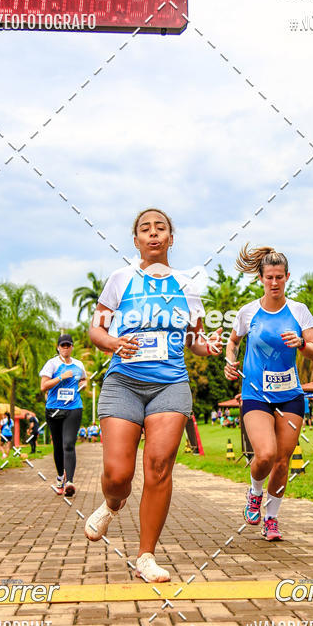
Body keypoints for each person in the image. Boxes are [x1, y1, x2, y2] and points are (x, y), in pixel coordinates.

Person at [84, 208, 221, 582]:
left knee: (159, 467)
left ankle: (146, 556)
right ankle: (113, 505)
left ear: (171, 239)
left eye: (161, 228)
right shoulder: (120, 279)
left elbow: (195, 340)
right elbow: (95, 331)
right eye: (146, 229)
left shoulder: (187, 285)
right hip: (124, 383)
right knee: (117, 474)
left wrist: (210, 346)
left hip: (170, 385)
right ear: (136, 240)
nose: (154, 233)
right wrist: (113, 341)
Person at [225, 245, 313, 541]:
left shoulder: (299, 311)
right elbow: (232, 342)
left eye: (280, 277)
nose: (275, 282)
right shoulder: (248, 311)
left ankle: (272, 518)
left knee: (282, 459)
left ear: (287, 276)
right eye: (270, 277)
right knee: (264, 454)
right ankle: (254, 492)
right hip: (255, 394)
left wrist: (301, 344)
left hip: (290, 394)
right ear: (261, 278)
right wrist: (230, 363)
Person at [39, 335, 87, 497]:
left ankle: (70, 482)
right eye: (63, 345)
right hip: (54, 409)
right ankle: (60, 476)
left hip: (74, 408)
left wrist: (82, 385)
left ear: (72, 347)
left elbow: (83, 380)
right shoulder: (52, 364)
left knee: (68, 444)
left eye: (68, 345)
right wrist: (60, 377)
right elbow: (43, 386)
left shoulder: (78, 365)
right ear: (58, 347)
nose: (66, 348)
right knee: (58, 445)